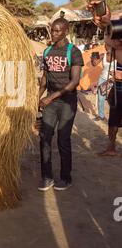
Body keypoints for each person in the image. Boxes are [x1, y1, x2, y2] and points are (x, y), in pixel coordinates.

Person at [37, 18, 84, 192]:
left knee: (63, 139)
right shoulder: (47, 51)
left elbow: (74, 82)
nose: (54, 33)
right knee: (44, 138)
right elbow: (44, 78)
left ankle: (66, 177)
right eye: (52, 30)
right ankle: (47, 177)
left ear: (65, 31)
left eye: (58, 31)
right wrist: (37, 98)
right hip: (50, 101)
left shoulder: (74, 52)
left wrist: (51, 98)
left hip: (67, 102)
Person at [88, 1, 122, 156]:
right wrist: (103, 21)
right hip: (119, 84)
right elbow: (113, 38)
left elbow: (113, 40)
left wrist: (107, 23)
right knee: (114, 116)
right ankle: (111, 147)